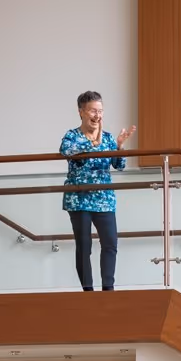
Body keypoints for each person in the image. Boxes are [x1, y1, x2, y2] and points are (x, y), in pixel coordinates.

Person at [60, 90, 135, 292]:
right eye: (93, 110)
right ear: (81, 112)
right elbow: (67, 151)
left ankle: (108, 290)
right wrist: (93, 143)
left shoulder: (109, 138)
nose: (97, 115)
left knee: (110, 244)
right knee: (84, 246)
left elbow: (119, 165)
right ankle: (88, 291)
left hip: (104, 198)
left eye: (100, 111)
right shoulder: (72, 136)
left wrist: (119, 147)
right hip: (79, 198)